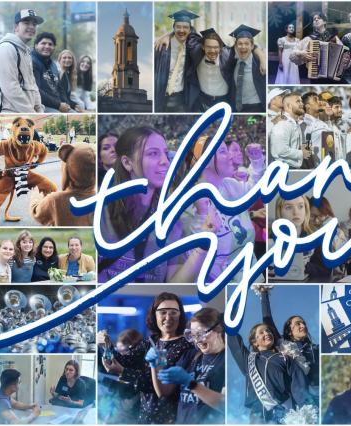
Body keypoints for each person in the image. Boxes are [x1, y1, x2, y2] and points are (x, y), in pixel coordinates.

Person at [98, 127, 213, 283]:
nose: (165, 161)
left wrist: (203, 245)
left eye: (165, 153)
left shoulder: (170, 218)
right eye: (153, 153)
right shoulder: (100, 210)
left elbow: (174, 282)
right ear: (127, 162)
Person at [99, 292, 192, 423]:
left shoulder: (186, 345)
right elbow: (126, 360)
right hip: (144, 416)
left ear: (180, 315)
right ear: (155, 315)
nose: (168, 317)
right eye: (163, 312)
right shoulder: (151, 341)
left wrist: (123, 372)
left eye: (173, 312)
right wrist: (107, 345)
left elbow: (160, 385)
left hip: (169, 418)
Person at [181, 136, 265, 283]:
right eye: (223, 152)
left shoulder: (229, 185)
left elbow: (254, 189)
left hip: (252, 276)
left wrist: (257, 161)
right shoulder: (191, 204)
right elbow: (196, 263)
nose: (231, 156)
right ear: (205, 161)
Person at [228, 322, 311, 423]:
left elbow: (299, 386)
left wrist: (306, 411)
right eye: (261, 332)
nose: (267, 333)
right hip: (258, 415)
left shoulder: (285, 358)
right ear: (255, 342)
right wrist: (229, 318)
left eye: (268, 331)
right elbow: (233, 337)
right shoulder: (248, 360)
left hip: (284, 414)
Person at [157, 307, 225, 424]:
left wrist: (191, 384)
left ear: (218, 329)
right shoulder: (191, 356)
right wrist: (156, 364)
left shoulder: (228, 360)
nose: (197, 340)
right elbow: (164, 392)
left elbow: (226, 405)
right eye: (193, 335)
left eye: (201, 333)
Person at [258, 287, 319, 400]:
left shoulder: (316, 348)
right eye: (298, 323)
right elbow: (268, 321)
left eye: (304, 323)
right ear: (289, 330)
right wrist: (264, 293)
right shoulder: (284, 344)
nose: (303, 326)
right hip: (300, 401)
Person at [0, 9, 43, 113]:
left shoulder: (25, 52)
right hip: (9, 111)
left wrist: (39, 109)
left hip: (27, 111)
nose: (31, 27)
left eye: (34, 24)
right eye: (26, 23)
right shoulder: (6, 48)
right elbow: (10, 88)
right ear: (16, 27)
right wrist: (31, 113)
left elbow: (33, 84)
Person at [273, 195, 332, 280]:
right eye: (289, 207)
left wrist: (305, 266)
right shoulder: (272, 239)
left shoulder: (317, 237)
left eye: (300, 206)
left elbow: (326, 270)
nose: (296, 212)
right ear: (280, 212)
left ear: (306, 210)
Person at [154, 10, 200, 112]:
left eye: (185, 27)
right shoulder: (162, 47)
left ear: (190, 29)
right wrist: (167, 36)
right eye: (178, 27)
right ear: (173, 28)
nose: (181, 30)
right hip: (160, 97)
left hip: (180, 99)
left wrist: (168, 34)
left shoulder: (192, 48)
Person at [289, 12, 351, 84]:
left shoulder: (334, 38)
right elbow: (292, 54)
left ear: (324, 21)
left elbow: (345, 56)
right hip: (317, 78)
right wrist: (301, 53)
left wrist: (346, 62)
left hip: (334, 78)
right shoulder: (309, 39)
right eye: (314, 19)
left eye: (319, 18)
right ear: (313, 24)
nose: (316, 20)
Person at [31, 32, 75, 113]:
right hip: (42, 105)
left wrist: (66, 104)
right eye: (43, 43)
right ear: (36, 45)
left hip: (57, 104)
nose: (47, 46)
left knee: (74, 113)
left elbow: (59, 88)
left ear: (54, 47)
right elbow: (36, 90)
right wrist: (58, 105)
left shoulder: (53, 65)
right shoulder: (32, 62)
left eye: (50, 44)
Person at [270, 92, 311, 169]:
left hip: (290, 167)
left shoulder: (295, 123)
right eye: (298, 101)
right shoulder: (283, 123)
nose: (302, 104)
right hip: (283, 169)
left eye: (301, 101)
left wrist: (301, 148)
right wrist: (301, 153)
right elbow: (281, 150)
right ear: (288, 106)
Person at [230, 25, 266, 112]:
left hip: (257, 107)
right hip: (237, 108)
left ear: (252, 46)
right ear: (235, 46)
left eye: (246, 43)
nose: (243, 47)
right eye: (240, 44)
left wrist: (262, 57)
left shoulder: (259, 63)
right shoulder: (231, 61)